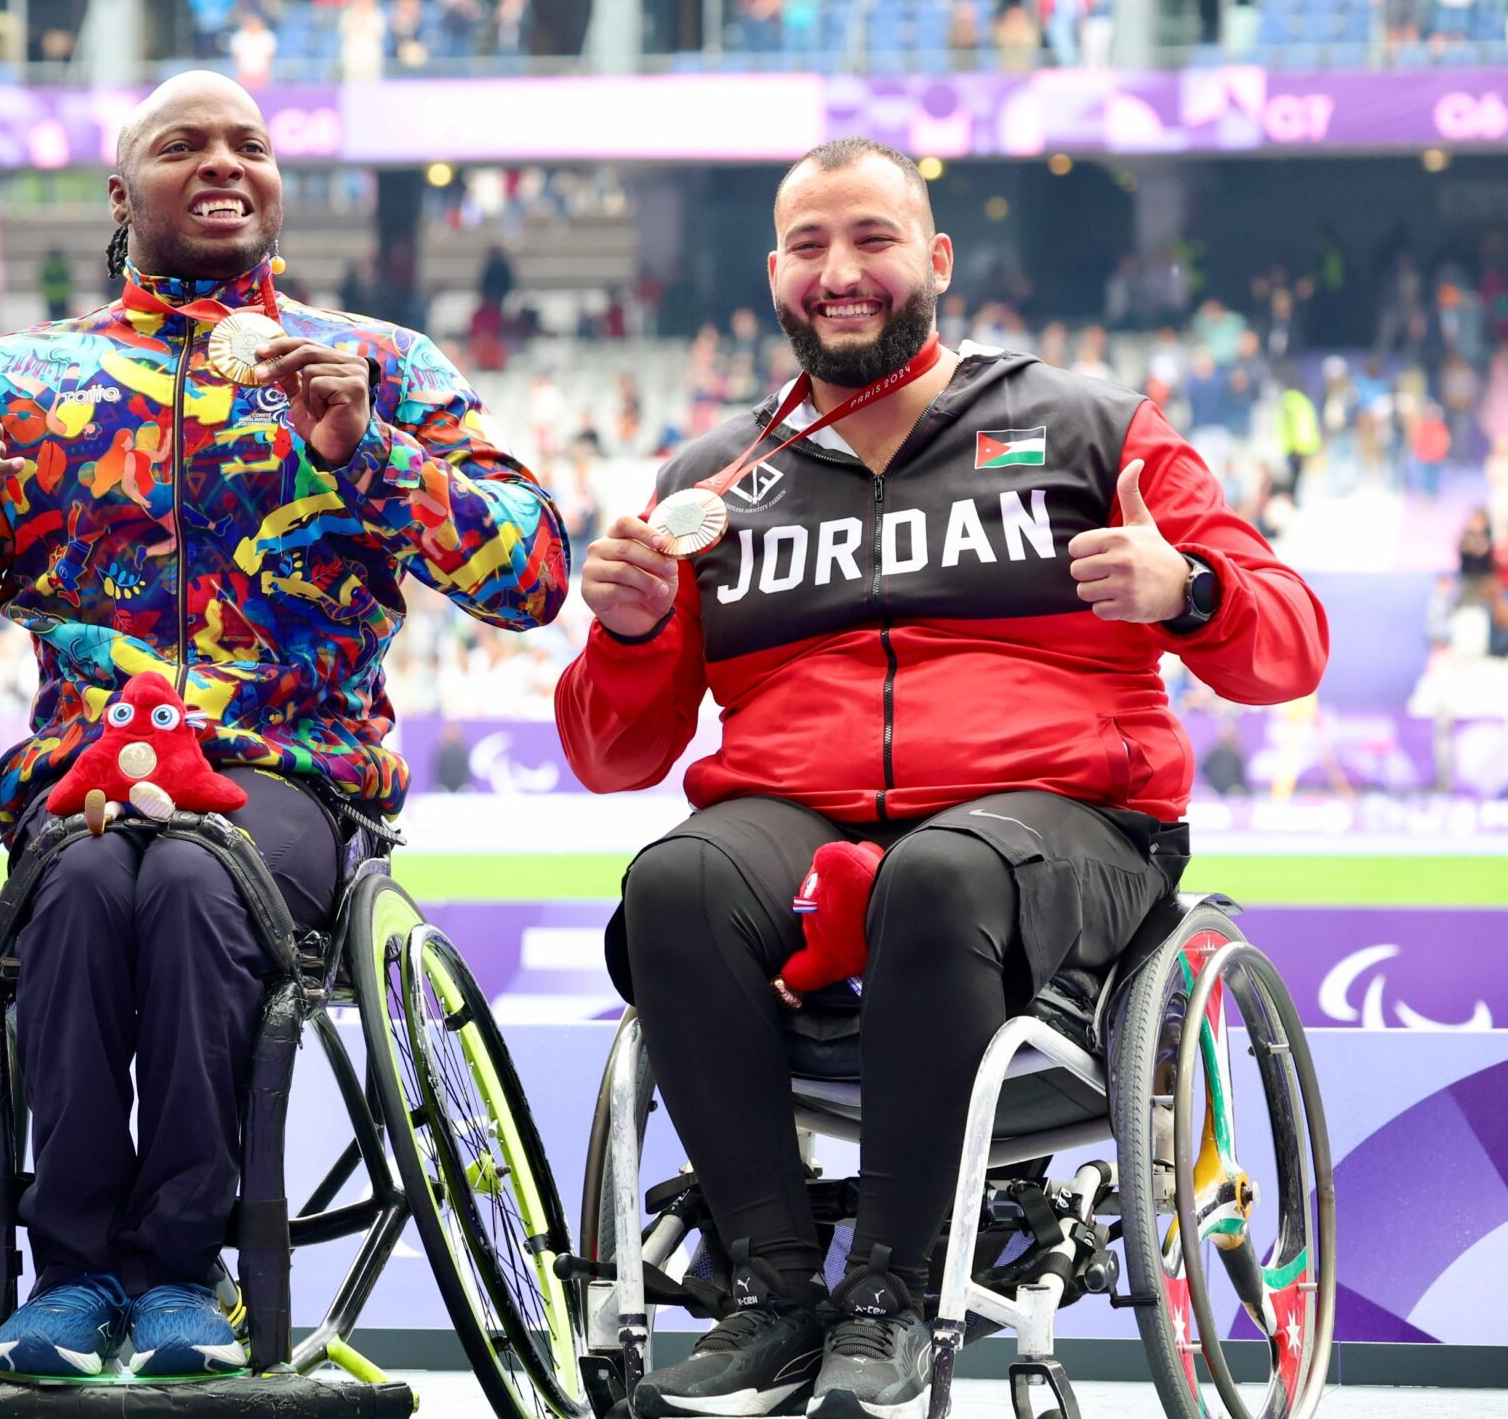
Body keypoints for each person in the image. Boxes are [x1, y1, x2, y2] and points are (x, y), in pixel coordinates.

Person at [556, 138, 1325, 1419]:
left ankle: (896, 1297)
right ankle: (773, 1294)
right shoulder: (705, 484)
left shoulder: (1089, 427)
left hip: (1062, 824)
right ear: (773, 274)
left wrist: (1184, 590)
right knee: (675, 881)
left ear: (935, 259)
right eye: (809, 245)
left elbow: (1289, 641)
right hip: (795, 821)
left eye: (872, 238)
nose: (840, 271)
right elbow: (612, 753)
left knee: (939, 870)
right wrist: (629, 635)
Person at [0, 71, 569, 1382]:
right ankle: (68, 1281)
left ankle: (182, 1270)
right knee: (77, 887)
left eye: (250, 143)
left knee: (189, 873)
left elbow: (530, 576)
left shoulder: (380, 365)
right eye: (184, 145)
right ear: (124, 197)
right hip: (83, 778)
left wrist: (367, 455)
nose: (225, 162)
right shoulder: (17, 380)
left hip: (295, 780)